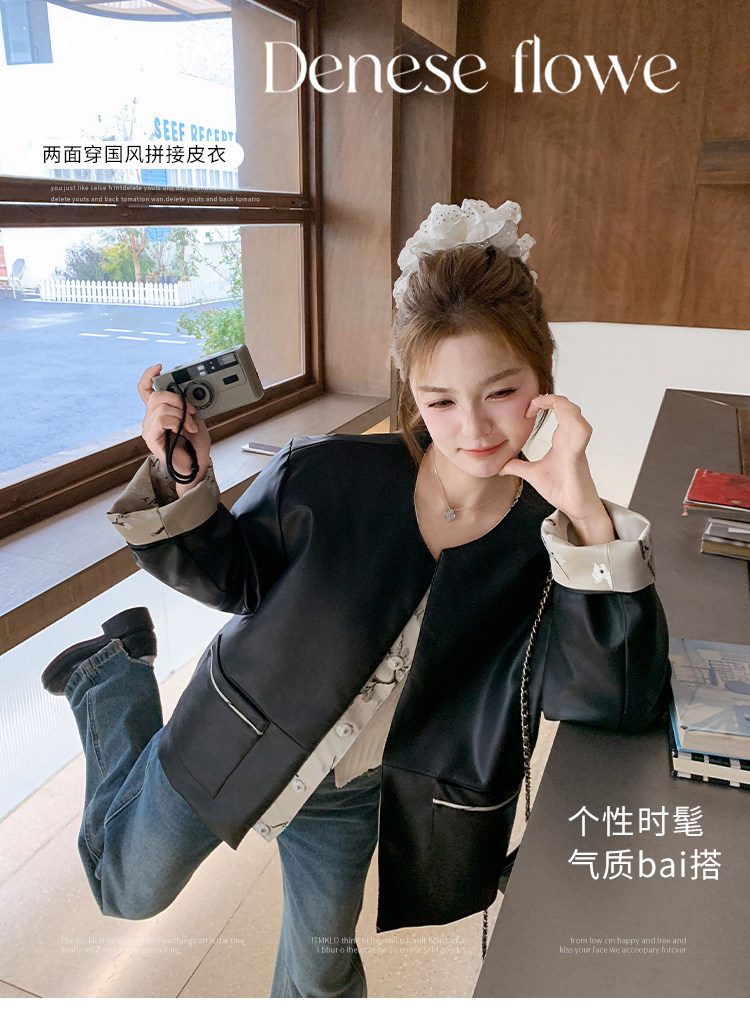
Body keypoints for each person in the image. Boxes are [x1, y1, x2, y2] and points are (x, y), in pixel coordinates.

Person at [42, 199, 669, 998]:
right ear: (412, 392)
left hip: (351, 794)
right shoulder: (327, 475)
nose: (473, 428)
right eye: (440, 400)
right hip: (238, 727)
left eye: (501, 391)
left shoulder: (552, 546)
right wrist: (184, 475)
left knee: (321, 969)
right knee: (125, 889)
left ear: (543, 379)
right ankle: (110, 676)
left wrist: (582, 507)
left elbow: (616, 701)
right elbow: (231, 576)